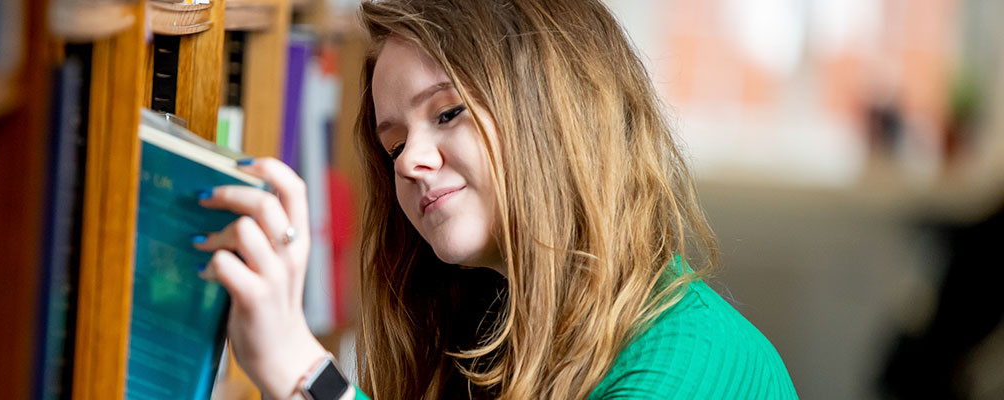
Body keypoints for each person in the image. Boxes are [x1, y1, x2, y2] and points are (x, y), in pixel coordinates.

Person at [193, 0, 797, 398]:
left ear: (555, 113)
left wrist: (306, 378)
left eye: (447, 113)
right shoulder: (493, 340)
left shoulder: (688, 359)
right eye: (394, 142)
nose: (408, 161)